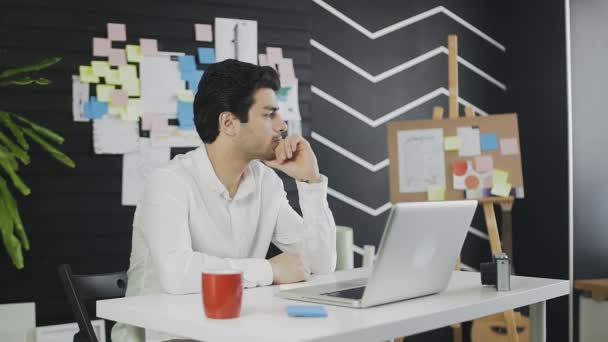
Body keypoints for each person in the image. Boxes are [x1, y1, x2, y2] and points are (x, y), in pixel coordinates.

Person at [111, 59, 337, 342]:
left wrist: (310, 183)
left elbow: (321, 264)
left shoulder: (266, 182)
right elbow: (178, 274)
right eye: (269, 115)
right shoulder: (168, 182)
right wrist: (270, 269)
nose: (282, 126)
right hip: (166, 337)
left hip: (231, 331)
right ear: (229, 122)